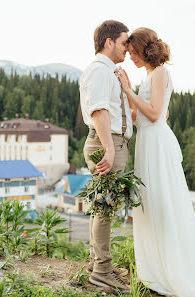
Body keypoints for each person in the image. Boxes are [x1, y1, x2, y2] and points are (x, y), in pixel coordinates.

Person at [115, 27, 195, 297]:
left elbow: (156, 112)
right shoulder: (148, 76)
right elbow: (143, 117)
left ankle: (175, 268)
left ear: (144, 49)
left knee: (163, 200)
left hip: (158, 144)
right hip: (146, 143)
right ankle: (155, 268)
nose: (131, 57)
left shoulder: (160, 72)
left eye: (133, 52)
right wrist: (127, 104)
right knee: (150, 203)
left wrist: (128, 92)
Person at [79, 20, 133, 292]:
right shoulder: (99, 71)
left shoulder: (107, 71)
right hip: (106, 143)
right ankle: (101, 272)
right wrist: (109, 149)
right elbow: (99, 111)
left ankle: (98, 265)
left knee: (103, 207)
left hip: (110, 142)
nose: (128, 47)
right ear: (109, 41)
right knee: (105, 208)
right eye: (124, 41)